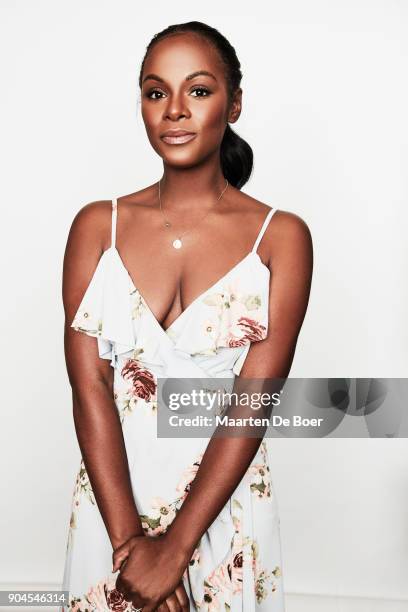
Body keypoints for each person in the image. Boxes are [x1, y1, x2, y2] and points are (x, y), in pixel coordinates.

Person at [61, 20, 313, 612]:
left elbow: (256, 398)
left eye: (198, 90)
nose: (175, 110)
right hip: (110, 502)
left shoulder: (281, 238)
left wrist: (175, 548)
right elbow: (89, 385)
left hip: (223, 512)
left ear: (235, 103)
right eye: (156, 92)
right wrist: (130, 545)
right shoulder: (98, 227)